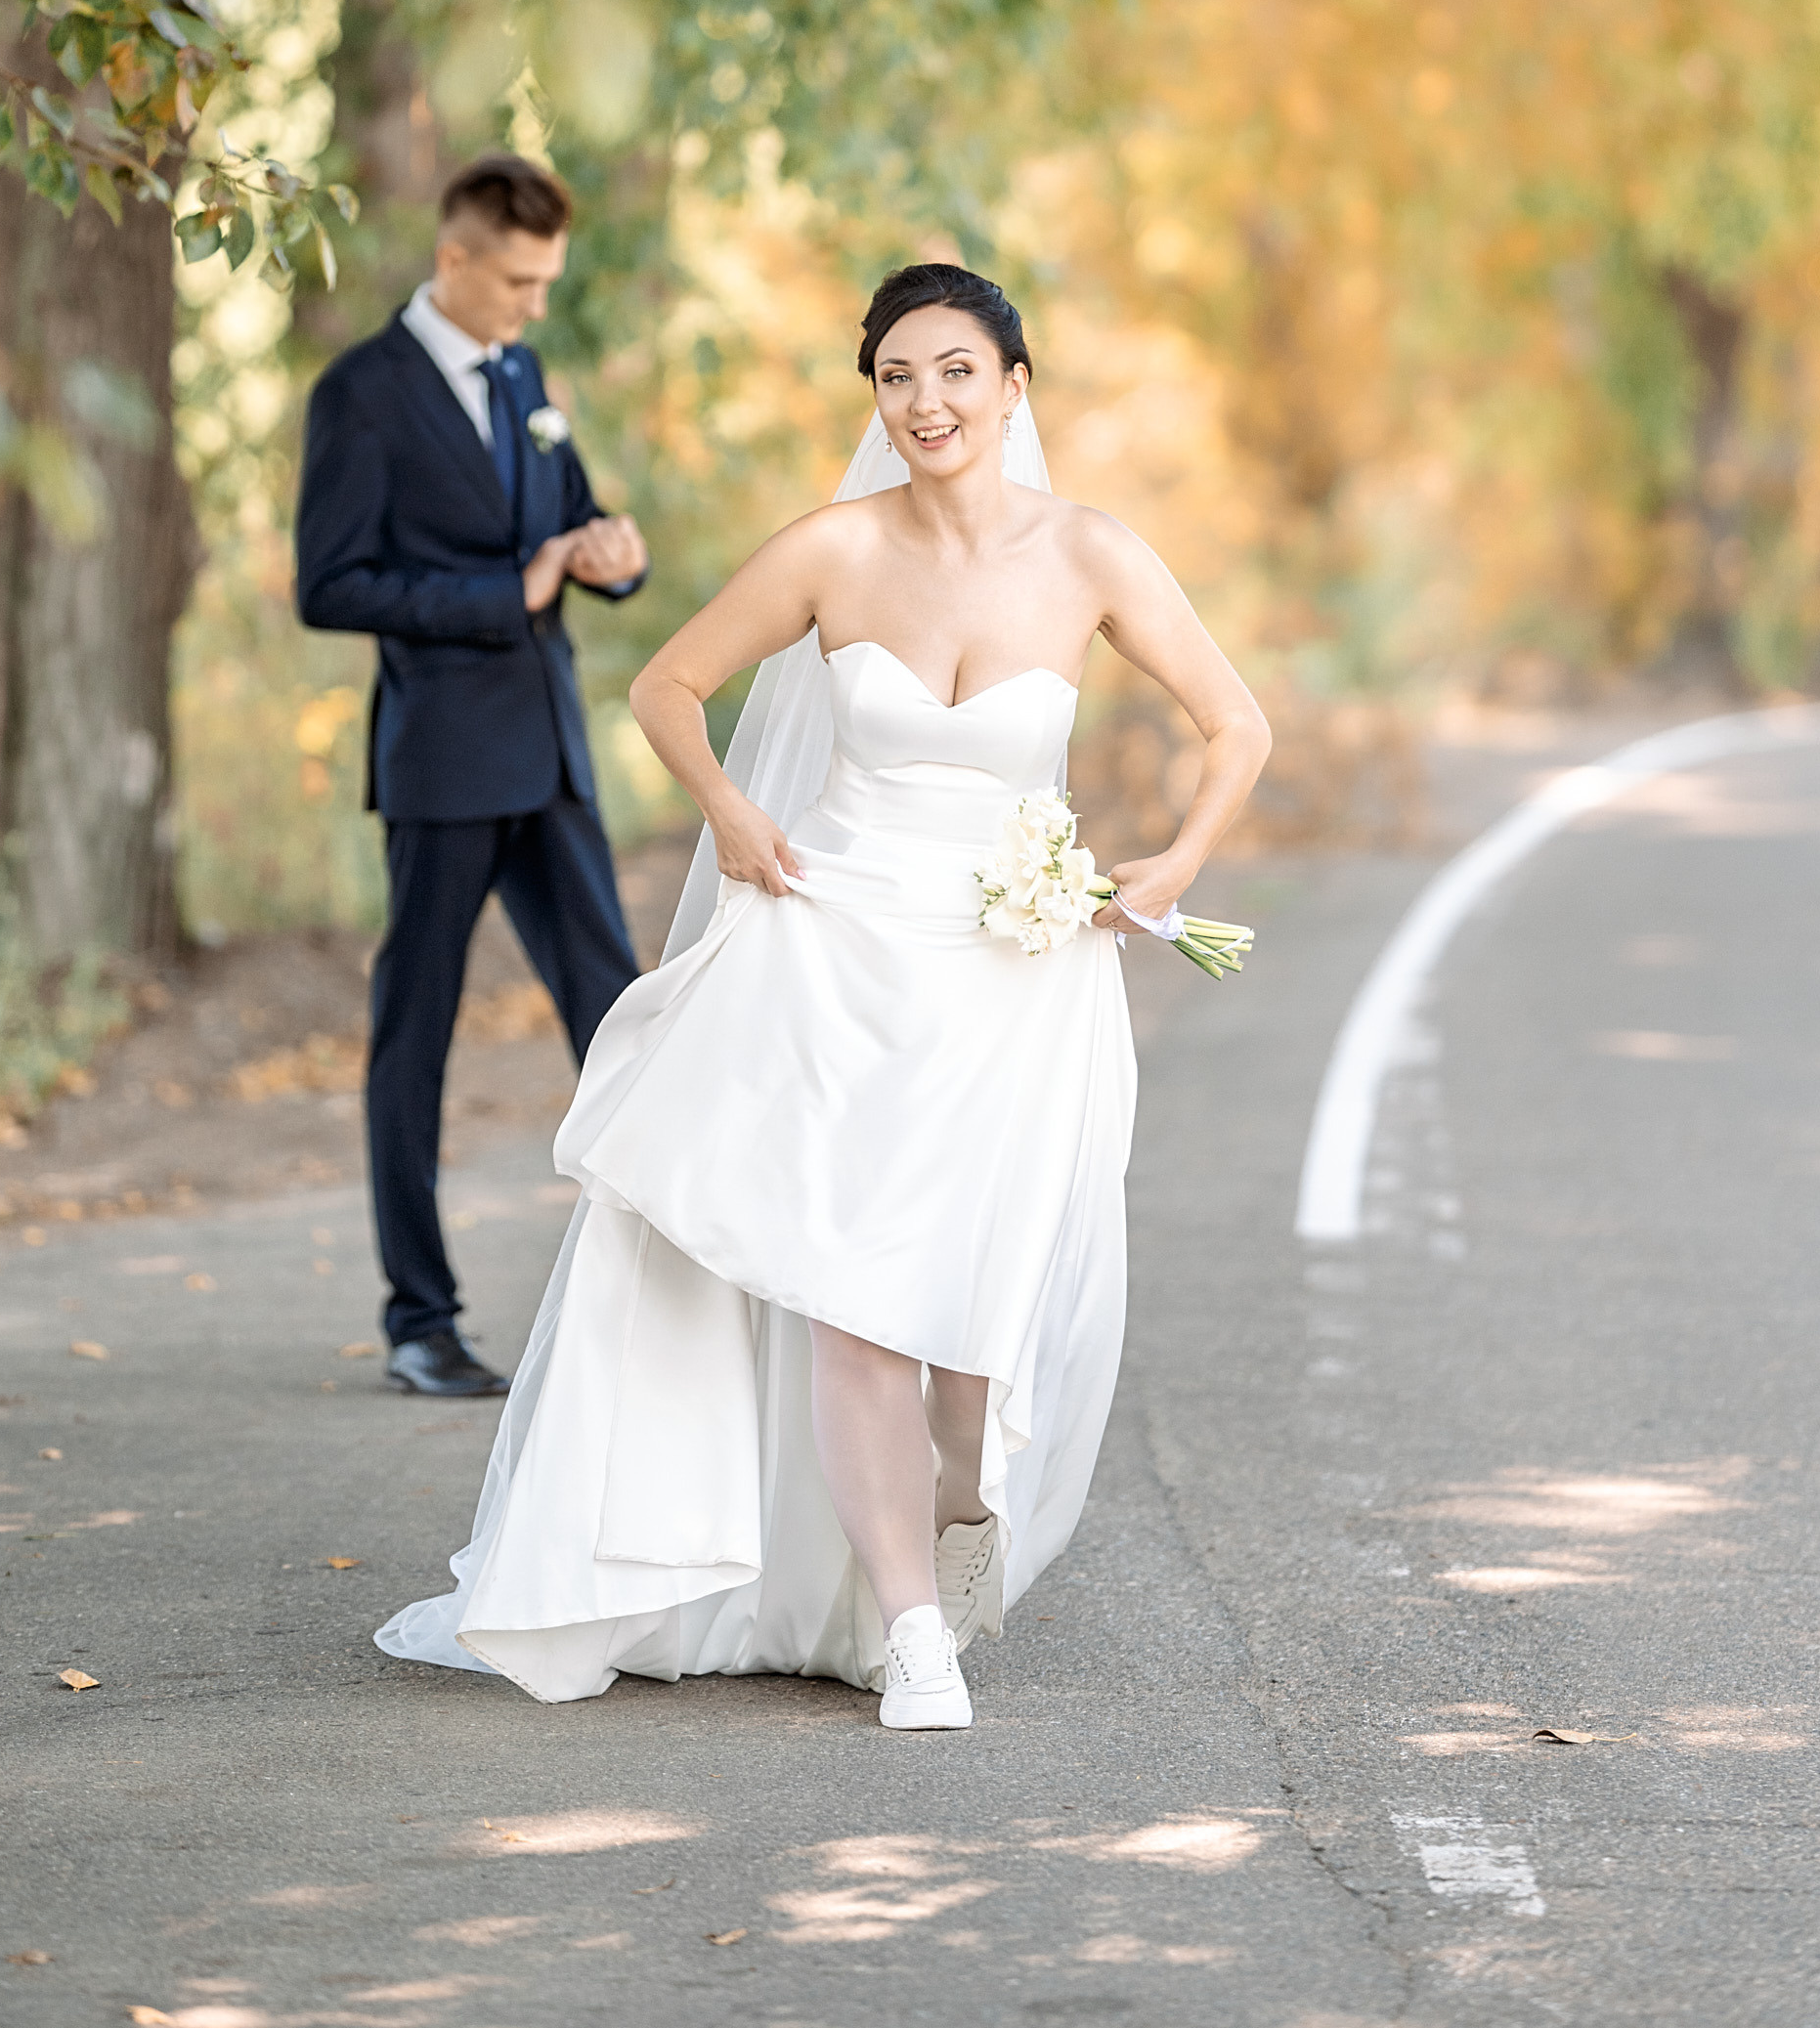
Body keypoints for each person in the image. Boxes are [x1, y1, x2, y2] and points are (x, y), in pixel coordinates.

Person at [375, 262, 1270, 1724]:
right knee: (855, 1303)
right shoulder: (833, 553)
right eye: (897, 378)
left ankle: (964, 1507)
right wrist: (730, 810)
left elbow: (1236, 722)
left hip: (1013, 971)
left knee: (977, 1325)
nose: (926, 402)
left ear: (1013, 385)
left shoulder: (1090, 554)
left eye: (955, 372)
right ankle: (909, 1634)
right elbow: (665, 685)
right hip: (834, 953)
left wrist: (1174, 858)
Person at [295, 151, 649, 1401]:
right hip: (441, 762)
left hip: (549, 750)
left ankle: (671, 1285)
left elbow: (569, 511)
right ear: (453, 258)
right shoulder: (361, 393)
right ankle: (418, 1317)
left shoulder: (524, 373)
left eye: (545, 280)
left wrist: (609, 550)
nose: (532, 305)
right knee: (417, 1040)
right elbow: (327, 585)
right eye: (517, 279)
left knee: (624, 1021)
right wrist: (511, 590)